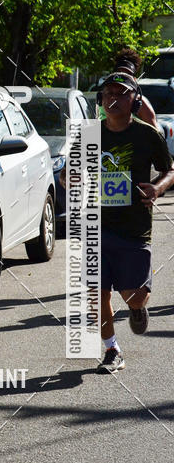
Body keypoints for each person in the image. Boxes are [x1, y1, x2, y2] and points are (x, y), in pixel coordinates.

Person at [94, 69, 174, 371]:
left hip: (134, 227)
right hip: (96, 226)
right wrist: (68, 179)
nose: (113, 99)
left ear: (135, 101)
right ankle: (112, 350)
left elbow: (170, 170)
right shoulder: (89, 134)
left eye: (121, 94)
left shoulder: (147, 135)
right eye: (108, 94)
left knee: (135, 296)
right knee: (97, 293)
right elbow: (68, 172)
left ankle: (137, 308)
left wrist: (157, 188)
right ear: (101, 99)